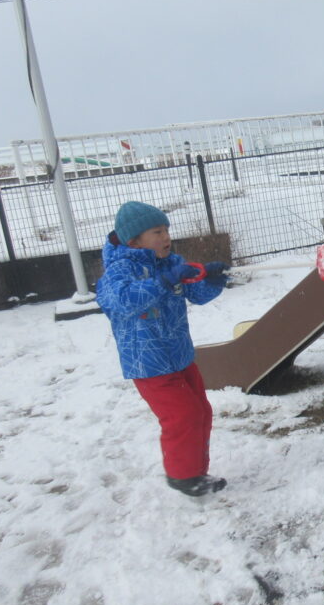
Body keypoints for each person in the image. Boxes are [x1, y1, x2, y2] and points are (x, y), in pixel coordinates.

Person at [96, 201, 232, 497]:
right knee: (183, 415)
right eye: (157, 232)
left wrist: (211, 280)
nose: (166, 237)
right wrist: (163, 282)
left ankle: (196, 472)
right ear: (134, 241)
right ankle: (183, 477)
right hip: (149, 364)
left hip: (180, 356)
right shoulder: (118, 271)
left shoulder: (171, 263)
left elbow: (196, 294)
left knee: (200, 412)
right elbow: (124, 301)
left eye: (166, 230)